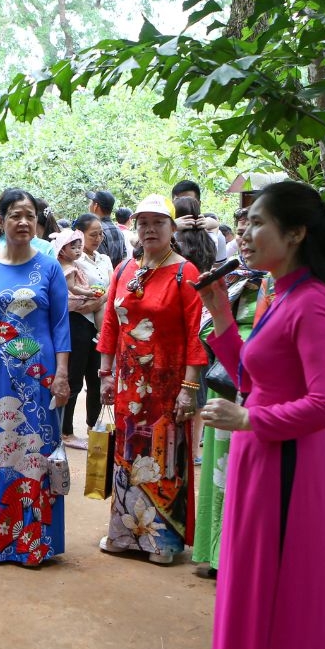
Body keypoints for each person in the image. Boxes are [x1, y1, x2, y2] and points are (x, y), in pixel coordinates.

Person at [195, 180, 325, 649]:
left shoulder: (314, 303)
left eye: (258, 222)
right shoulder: (278, 290)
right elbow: (255, 375)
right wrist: (221, 314)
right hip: (259, 460)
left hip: (286, 468)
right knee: (247, 604)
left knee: (275, 611)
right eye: (244, 223)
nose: (244, 232)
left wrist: (250, 419)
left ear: (295, 234)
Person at [0, 189, 70, 567]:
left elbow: (60, 325)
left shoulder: (50, 267)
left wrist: (63, 374)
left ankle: (35, 543)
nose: (23, 222)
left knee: (38, 448)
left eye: (30, 215)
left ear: (37, 222)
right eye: (15, 215)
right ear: (1, 220)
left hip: (40, 376)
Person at [97, 195, 205, 565]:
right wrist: (105, 374)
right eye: (143, 222)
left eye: (158, 222)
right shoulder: (125, 269)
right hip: (128, 385)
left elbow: (196, 334)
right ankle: (124, 534)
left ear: (173, 229)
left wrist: (189, 388)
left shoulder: (185, 272)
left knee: (163, 456)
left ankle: (163, 542)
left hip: (167, 385)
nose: (149, 229)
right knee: (128, 454)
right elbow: (110, 323)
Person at [192, 255, 263, 579]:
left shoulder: (310, 294)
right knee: (222, 475)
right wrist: (221, 309)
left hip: (263, 407)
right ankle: (219, 553)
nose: (248, 233)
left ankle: (239, 559)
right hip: (232, 387)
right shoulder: (243, 279)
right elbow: (208, 327)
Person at [63, 215, 108, 437]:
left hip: (100, 322)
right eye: (93, 234)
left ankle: (93, 426)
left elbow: (111, 288)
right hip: (78, 322)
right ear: (79, 235)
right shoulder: (73, 261)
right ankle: (66, 430)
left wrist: (99, 301)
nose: (98, 238)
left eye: (100, 234)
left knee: (96, 376)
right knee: (74, 377)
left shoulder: (105, 259)